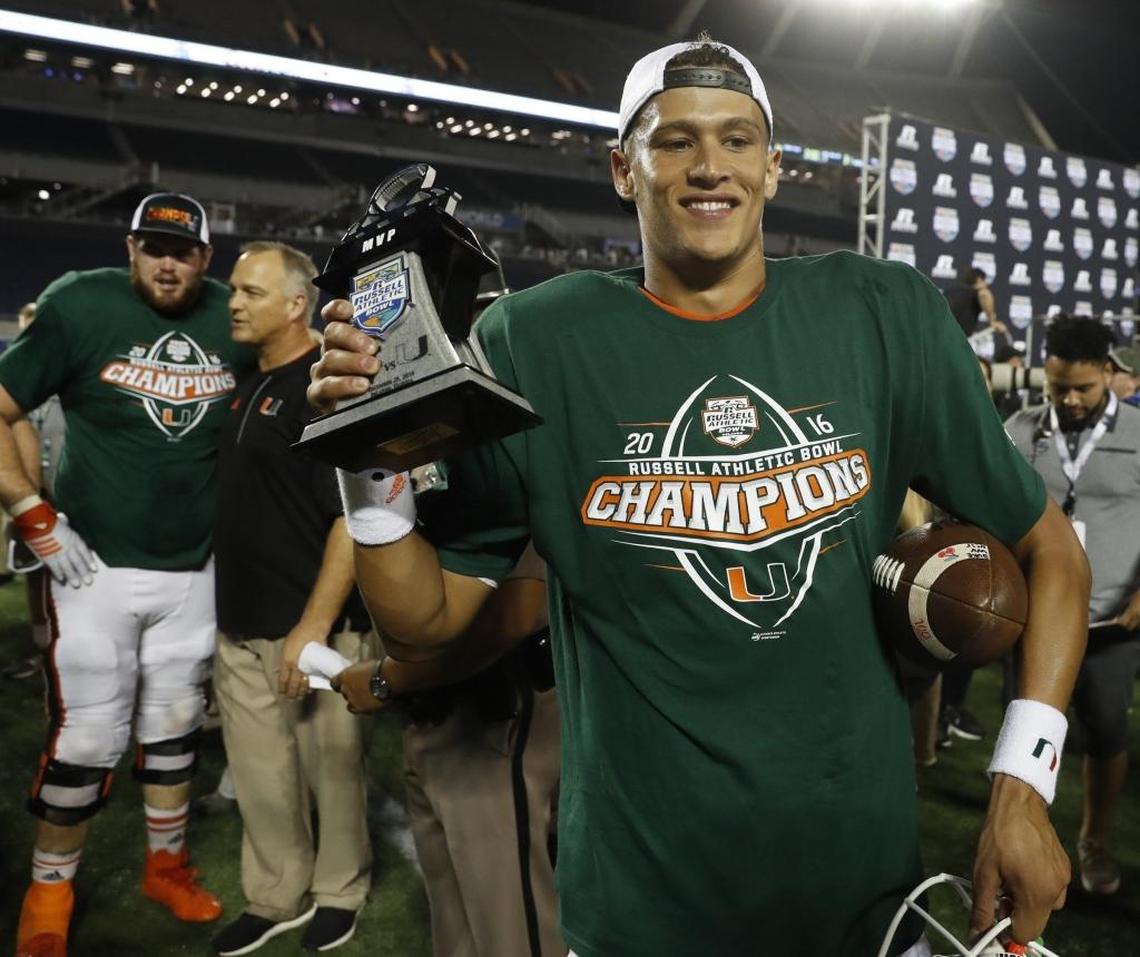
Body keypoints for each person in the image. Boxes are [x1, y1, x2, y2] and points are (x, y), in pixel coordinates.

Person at [311, 38, 1089, 956]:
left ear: (772, 166)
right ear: (621, 168)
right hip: (642, 904)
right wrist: (368, 455)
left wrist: (1021, 782)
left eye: (735, 139)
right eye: (673, 141)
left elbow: (1053, 549)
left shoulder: (881, 312)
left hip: (862, 892)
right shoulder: (532, 339)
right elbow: (425, 622)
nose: (708, 165)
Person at [1, 193, 246, 957]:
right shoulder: (82, 302)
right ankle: (50, 885)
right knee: (88, 732)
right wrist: (28, 509)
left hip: (193, 567)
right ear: (130, 248)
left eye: (182, 250)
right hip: (91, 563)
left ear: (206, 257)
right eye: (152, 247)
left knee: (174, 728)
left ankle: (165, 864)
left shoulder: (232, 317)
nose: (166, 262)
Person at [210, 241, 378, 955]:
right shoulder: (249, 382)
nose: (234, 303)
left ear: (296, 302)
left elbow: (352, 514)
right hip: (240, 620)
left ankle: (340, 889)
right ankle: (278, 893)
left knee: (331, 770)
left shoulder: (326, 382)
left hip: (316, 624)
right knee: (260, 774)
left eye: (250, 291)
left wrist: (313, 623)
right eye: (234, 291)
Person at [336, 529, 564, 957]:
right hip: (430, 714)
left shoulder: (507, 466)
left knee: (510, 928)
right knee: (454, 921)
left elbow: (515, 615)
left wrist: (385, 681)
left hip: (494, 721)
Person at [1005, 315, 1140, 897]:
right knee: (1027, 737)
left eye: (1082, 387)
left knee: (1106, 733)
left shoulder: (1138, 431)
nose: (1069, 399)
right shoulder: (1020, 427)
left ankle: (1093, 839)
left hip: (1112, 622)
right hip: (1035, 621)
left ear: (1109, 372)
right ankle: (1019, 839)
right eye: (1058, 386)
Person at [944, 266, 1008, 340]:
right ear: (979, 280)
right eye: (985, 281)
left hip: (940, 336)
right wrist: (992, 322)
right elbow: (984, 294)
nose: (986, 285)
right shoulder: (977, 292)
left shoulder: (949, 292)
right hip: (957, 340)